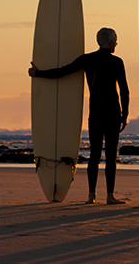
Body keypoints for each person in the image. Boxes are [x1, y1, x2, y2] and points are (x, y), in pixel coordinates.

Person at [28, 28, 131, 205]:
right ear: (111, 42)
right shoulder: (116, 61)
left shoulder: (87, 59)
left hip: (96, 113)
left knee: (94, 155)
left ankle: (91, 195)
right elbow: (124, 90)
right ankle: (110, 196)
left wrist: (39, 73)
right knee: (111, 156)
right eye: (116, 39)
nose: (117, 42)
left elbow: (62, 71)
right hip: (112, 112)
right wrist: (125, 114)